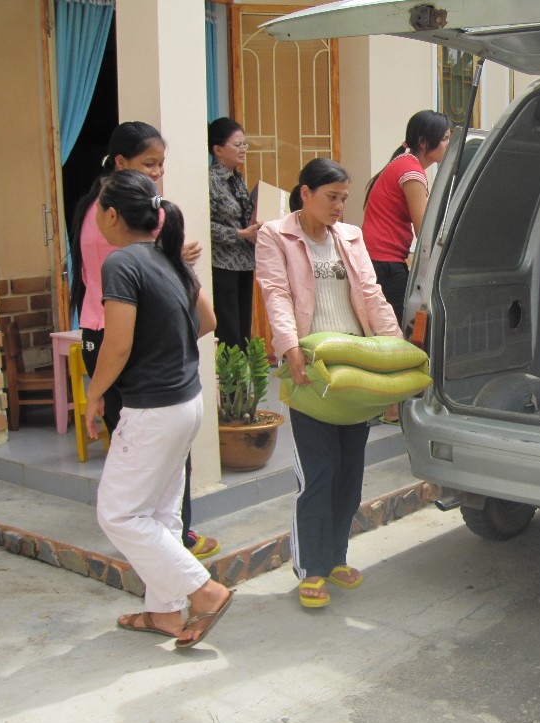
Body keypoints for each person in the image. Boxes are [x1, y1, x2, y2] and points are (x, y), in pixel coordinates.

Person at [87, 169, 233, 649]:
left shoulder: (121, 263)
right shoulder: (168, 256)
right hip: (186, 402)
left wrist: (93, 395)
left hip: (153, 409)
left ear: (112, 215)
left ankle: (204, 592)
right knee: (160, 513)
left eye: (98, 211)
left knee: (119, 514)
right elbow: (208, 319)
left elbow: (117, 344)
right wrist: (165, 345)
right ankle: (165, 613)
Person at [68, 121, 219, 560]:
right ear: (120, 163)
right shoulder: (115, 221)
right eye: (148, 164)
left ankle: (167, 551)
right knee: (135, 489)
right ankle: (171, 551)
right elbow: (123, 335)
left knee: (145, 467)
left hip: (119, 341)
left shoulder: (106, 215)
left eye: (160, 165)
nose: (157, 173)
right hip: (119, 339)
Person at [256, 158, 401, 609]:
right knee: (318, 472)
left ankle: (336, 556)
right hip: (311, 369)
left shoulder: (350, 237)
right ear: (306, 193)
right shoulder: (275, 235)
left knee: (350, 471)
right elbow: (276, 293)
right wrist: (289, 346)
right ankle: (312, 568)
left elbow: (372, 295)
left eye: (344, 198)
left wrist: (395, 351)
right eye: (331, 197)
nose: (340, 206)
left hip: (353, 368)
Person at [361, 110, 451, 424]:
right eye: (444, 139)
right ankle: (391, 408)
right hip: (385, 263)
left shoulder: (402, 163)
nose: (448, 145)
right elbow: (425, 229)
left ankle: (388, 406)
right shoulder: (411, 171)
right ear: (425, 142)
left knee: (389, 333)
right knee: (399, 337)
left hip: (380, 260)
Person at [208, 117, 262, 350]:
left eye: (244, 144)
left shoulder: (237, 178)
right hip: (222, 263)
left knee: (243, 327)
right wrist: (239, 234)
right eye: (237, 145)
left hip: (244, 261)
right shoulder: (210, 180)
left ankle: (243, 371)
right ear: (218, 149)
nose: (243, 150)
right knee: (228, 328)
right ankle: (229, 373)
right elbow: (205, 225)